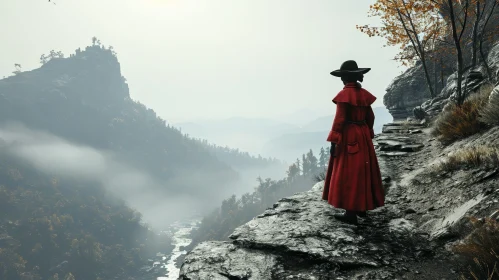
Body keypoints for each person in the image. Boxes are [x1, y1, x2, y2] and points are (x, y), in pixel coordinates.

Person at [322, 60, 385, 225]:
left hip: (349, 135)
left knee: (349, 173)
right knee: (363, 170)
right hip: (363, 135)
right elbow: (370, 117)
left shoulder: (344, 97)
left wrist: (334, 141)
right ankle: (362, 208)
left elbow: (339, 120)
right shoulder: (363, 94)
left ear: (344, 78)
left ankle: (350, 213)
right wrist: (368, 132)